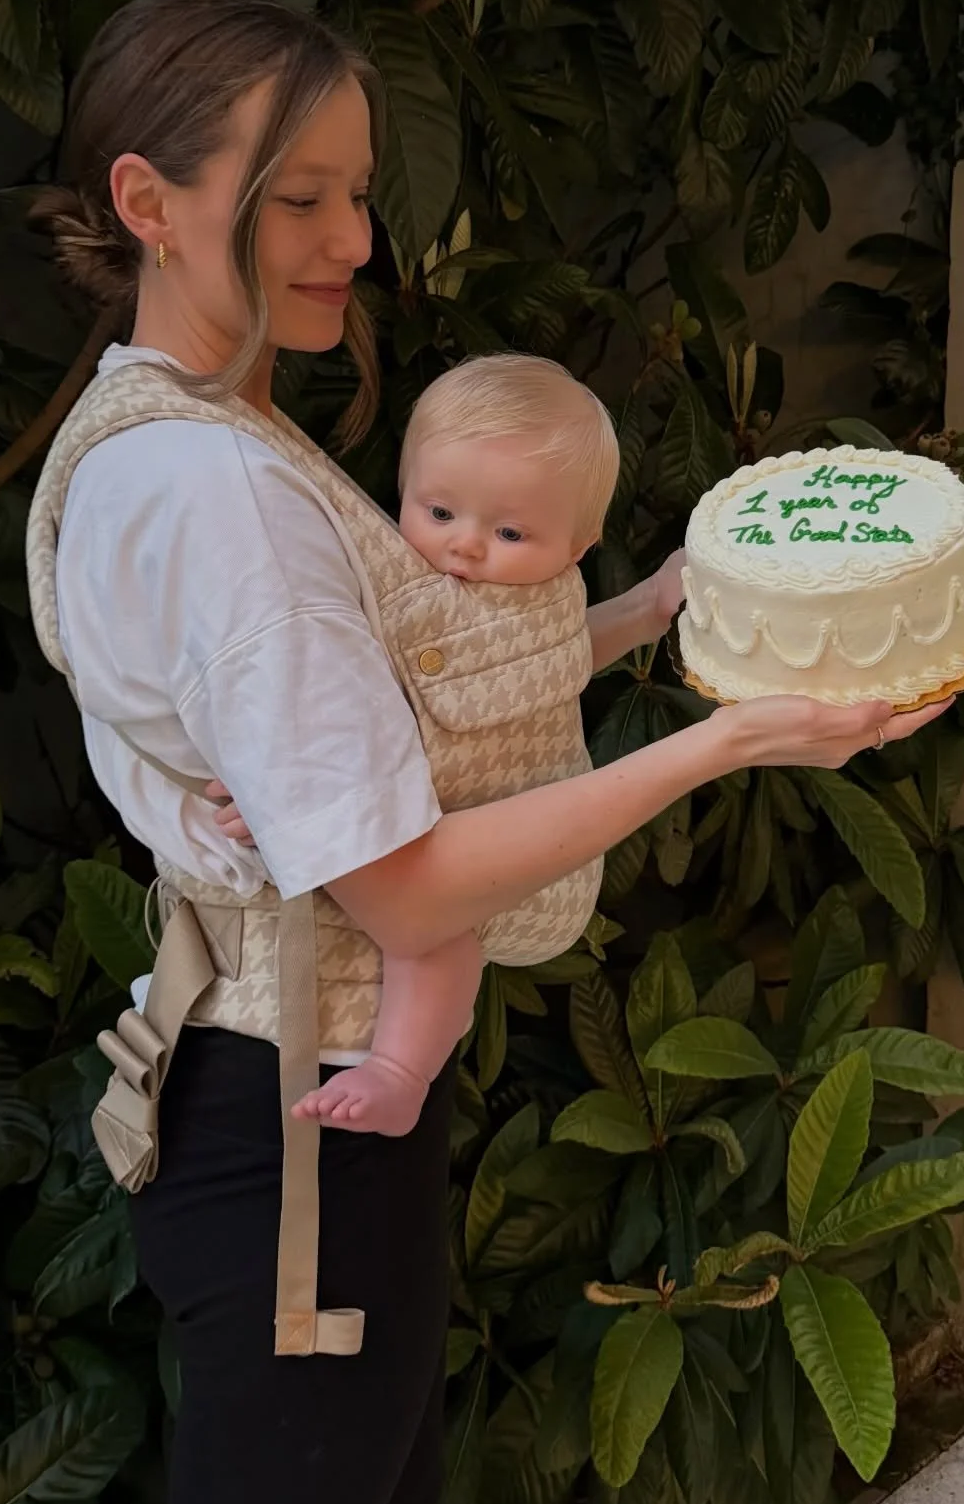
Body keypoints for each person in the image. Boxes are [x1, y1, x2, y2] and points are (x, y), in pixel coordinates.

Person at [26, 0, 949, 1504]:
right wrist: (727, 744)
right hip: (295, 1118)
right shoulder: (225, 493)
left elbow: (431, 704)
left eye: (359, 194)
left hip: (273, 1080)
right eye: (298, 198)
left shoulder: (168, 424)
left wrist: (641, 621)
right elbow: (406, 889)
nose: (354, 242)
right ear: (149, 202)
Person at [245, 350, 678, 1136]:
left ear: (581, 544)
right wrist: (279, 783)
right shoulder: (390, 588)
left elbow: (561, 657)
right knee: (432, 930)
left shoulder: (543, 600)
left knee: (441, 938)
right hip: (426, 840)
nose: (467, 545)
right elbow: (342, 701)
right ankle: (399, 1072)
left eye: (509, 531)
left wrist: (651, 608)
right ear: (403, 488)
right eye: (439, 512)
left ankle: (401, 1072)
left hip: (515, 847)